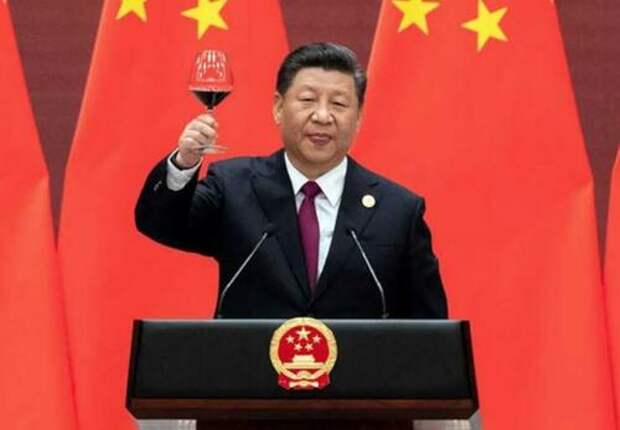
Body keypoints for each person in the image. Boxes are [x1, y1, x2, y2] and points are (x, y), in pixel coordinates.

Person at [135, 42, 447, 319]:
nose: (322, 116)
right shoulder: (234, 187)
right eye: (308, 100)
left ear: (359, 117)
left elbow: (429, 329)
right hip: (250, 365)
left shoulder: (399, 210)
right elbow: (161, 224)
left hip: (360, 368)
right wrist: (185, 162)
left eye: (338, 104)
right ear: (278, 107)